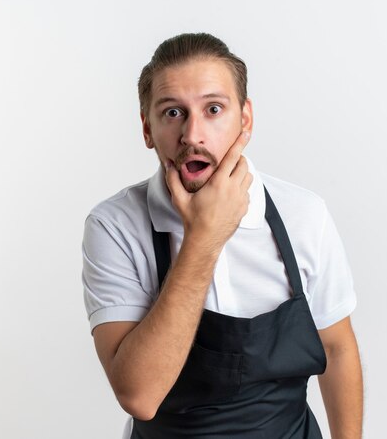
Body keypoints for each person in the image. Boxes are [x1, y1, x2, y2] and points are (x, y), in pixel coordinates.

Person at [82, 32, 363, 438]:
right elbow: (139, 395)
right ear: (147, 129)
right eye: (173, 113)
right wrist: (204, 236)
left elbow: (337, 350)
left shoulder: (303, 214)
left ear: (245, 119)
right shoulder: (115, 226)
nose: (193, 135)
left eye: (213, 109)